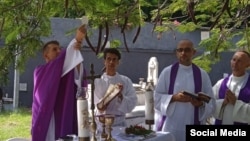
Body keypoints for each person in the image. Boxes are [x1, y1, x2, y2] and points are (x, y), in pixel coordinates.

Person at [31, 25, 87, 141]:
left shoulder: (64, 70)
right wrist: (75, 42)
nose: (59, 51)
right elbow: (56, 67)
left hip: (61, 114)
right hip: (47, 117)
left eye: (59, 49)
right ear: (45, 55)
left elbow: (77, 79)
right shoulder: (40, 71)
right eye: (54, 49)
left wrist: (75, 57)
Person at [153, 39, 216, 141]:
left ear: (193, 52)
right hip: (171, 126)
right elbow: (156, 98)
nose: (183, 53)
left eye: (187, 50)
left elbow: (211, 102)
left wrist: (200, 104)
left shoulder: (202, 74)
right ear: (176, 53)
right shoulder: (167, 72)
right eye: (180, 50)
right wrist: (174, 97)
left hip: (193, 121)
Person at [93, 48, 138, 128]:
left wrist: (120, 96)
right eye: (109, 59)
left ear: (118, 62)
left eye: (114, 59)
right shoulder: (97, 82)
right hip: (102, 125)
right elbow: (96, 105)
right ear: (104, 61)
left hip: (119, 124)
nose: (111, 62)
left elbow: (132, 102)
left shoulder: (126, 81)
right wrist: (106, 100)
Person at [212, 50, 250, 125]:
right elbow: (210, 104)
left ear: (248, 65)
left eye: (240, 61)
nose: (235, 64)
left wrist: (236, 103)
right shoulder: (220, 83)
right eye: (234, 60)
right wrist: (223, 102)